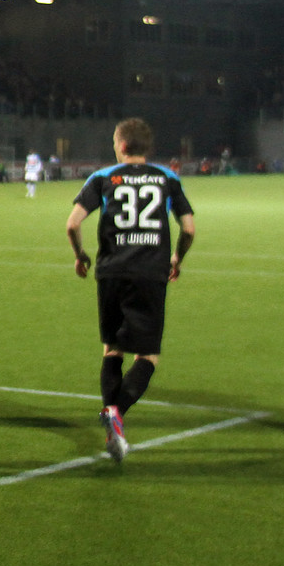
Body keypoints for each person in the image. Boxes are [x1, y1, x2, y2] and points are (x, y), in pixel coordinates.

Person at [65, 119, 195, 462]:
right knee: (147, 355)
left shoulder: (103, 177)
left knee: (112, 349)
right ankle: (116, 412)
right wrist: (177, 258)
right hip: (151, 273)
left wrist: (80, 256)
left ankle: (113, 420)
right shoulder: (167, 178)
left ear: (121, 146)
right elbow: (189, 228)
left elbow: (73, 223)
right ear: (146, 147)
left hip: (111, 273)